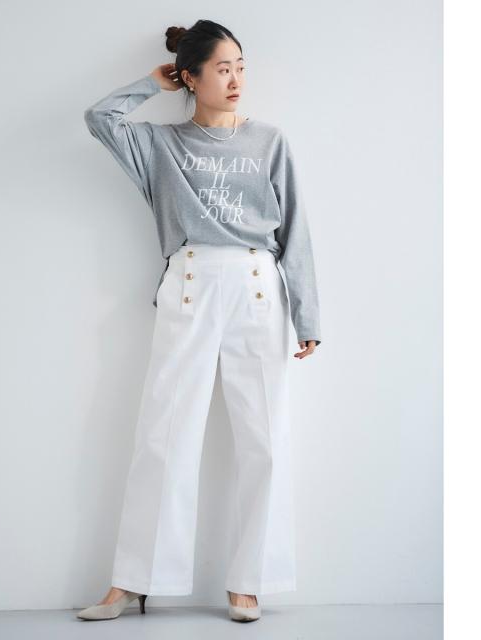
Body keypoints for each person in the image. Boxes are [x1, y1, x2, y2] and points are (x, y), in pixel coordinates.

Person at [77, 19, 321, 623]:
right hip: (188, 284)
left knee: (264, 439)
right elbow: (100, 118)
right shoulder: (160, 146)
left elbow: (294, 229)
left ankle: (250, 581)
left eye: (240, 66)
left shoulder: (269, 141)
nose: (236, 79)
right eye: (222, 68)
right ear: (190, 76)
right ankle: (134, 581)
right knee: (163, 433)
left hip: (257, 286)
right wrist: (149, 84)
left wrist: (306, 312)